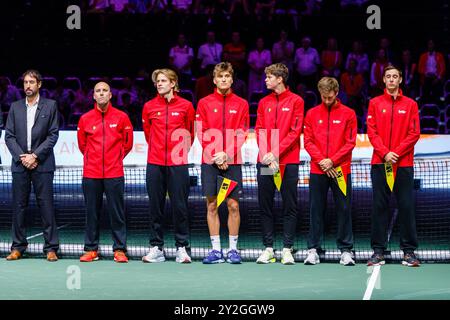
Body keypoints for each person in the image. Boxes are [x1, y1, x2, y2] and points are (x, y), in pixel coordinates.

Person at [366, 64, 421, 267]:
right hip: (380, 163)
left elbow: (414, 133)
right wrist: (384, 153)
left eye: (395, 76)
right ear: (383, 80)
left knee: (406, 207)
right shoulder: (374, 103)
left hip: (403, 164)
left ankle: (409, 252)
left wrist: (395, 153)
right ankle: (378, 252)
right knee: (379, 207)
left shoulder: (410, 105)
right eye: (388, 76)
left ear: (400, 80)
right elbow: (372, 132)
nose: (391, 79)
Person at [196, 62, 249, 264]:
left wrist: (227, 154)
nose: (224, 79)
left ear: (232, 79)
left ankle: (233, 250)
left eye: (227, 76)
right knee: (212, 206)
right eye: (221, 77)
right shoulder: (204, 103)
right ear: (215, 80)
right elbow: (201, 132)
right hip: (210, 162)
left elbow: (243, 132)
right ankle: (216, 250)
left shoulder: (242, 104)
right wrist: (215, 155)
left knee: (233, 205)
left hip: (232, 162)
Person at [141, 69, 195, 263]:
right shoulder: (148, 106)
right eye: (157, 81)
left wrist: (178, 153)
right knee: (155, 207)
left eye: (163, 81)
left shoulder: (186, 106)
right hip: (155, 162)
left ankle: (182, 247)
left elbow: (190, 134)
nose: (159, 84)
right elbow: (148, 134)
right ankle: (156, 247)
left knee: (180, 207)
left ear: (173, 83)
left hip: (178, 163)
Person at [5, 69, 60, 261]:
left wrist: (35, 155)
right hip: (20, 164)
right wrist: (23, 157)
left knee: (46, 206)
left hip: (42, 164)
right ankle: (18, 247)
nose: (28, 86)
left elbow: (53, 134)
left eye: (31, 82)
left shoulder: (50, 106)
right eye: (25, 82)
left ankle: (51, 248)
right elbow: (9, 135)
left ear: (39, 84)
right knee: (18, 206)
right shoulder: (15, 107)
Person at [77, 82, 134, 263]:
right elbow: (82, 145)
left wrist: (115, 159)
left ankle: (119, 249)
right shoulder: (85, 119)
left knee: (117, 213)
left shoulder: (122, 117)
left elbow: (128, 144)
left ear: (110, 95)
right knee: (91, 212)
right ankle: (91, 249)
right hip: (91, 173)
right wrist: (92, 159)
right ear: (93, 96)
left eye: (105, 91)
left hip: (114, 173)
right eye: (98, 91)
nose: (101, 94)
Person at [303, 77, 357, 266]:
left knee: (344, 209)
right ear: (320, 94)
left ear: (337, 93)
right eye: (324, 97)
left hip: (340, 170)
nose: (327, 100)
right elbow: (308, 141)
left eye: (330, 97)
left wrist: (332, 161)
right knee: (316, 210)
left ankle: (346, 250)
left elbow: (350, 142)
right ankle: (313, 249)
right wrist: (322, 161)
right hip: (318, 170)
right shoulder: (311, 114)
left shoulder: (349, 114)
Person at [255, 63, 304, 265]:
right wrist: (267, 154)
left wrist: (275, 153)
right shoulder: (263, 102)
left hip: (288, 162)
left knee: (289, 205)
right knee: (265, 204)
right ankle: (268, 248)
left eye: (269, 77)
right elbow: (259, 129)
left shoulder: (296, 101)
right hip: (267, 161)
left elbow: (295, 132)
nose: (266, 80)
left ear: (280, 78)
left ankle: (287, 248)